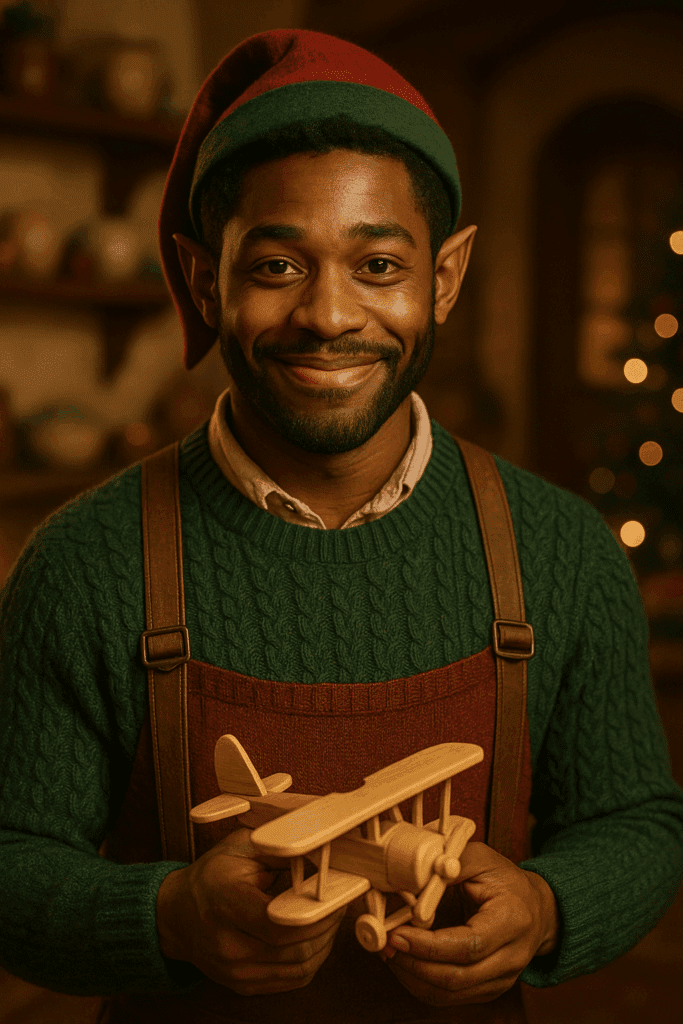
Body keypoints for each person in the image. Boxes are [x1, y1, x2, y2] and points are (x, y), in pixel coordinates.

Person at [1, 27, 682, 1024]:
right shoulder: (85, 560)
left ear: (443, 278)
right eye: (276, 265)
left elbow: (638, 822)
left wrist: (542, 904)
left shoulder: (561, 552)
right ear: (202, 279)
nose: (328, 315)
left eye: (377, 264)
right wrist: (167, 914)